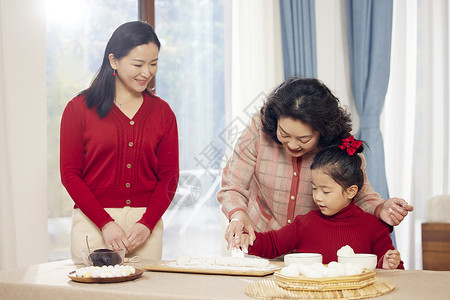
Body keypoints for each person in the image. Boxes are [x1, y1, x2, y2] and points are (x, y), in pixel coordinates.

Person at [217, 77, 413, 249]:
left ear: (322, 131)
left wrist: (380, 209)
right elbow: (233, 186)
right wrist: (237, 215)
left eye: (304, 139)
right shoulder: (258, 130)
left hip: (315, 250)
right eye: (284, 134)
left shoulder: (341, 145)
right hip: (262, 242)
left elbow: (359, 196)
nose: (292, 145)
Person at [60, 21, 179, 262]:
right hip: (94, 224)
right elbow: (70, 174)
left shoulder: (163, 113)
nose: (147, 72)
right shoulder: (79, 109)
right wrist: (105, 223)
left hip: (144, 229)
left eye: (153, 64)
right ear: (113, 61)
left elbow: (169, 176)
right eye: (138, 64)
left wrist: (147, 224)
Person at [234, 137, 403, 269]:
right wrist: (246, 239)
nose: (318, 197)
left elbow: (393, 269)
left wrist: (387, 264)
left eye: (326, 191)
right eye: (314, 188)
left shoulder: (374, 227)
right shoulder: (305, 224)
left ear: (351, 191)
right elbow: (272, 243)